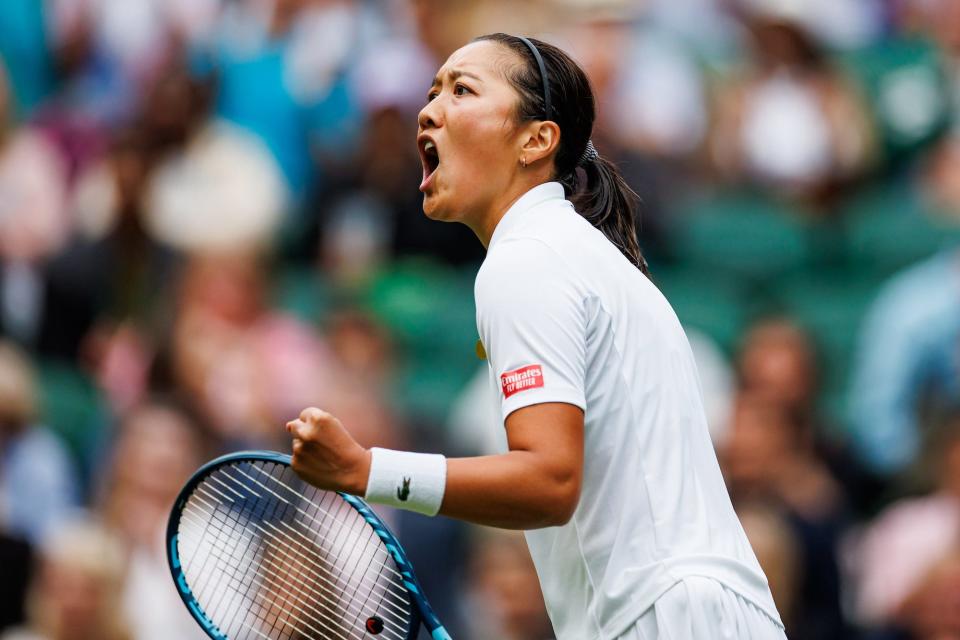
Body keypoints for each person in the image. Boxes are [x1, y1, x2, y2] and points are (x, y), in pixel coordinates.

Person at [286, 33, 785, 639]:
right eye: (432, 91)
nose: (428, 109)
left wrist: (367, 470)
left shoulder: (527, 257)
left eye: (463, 90)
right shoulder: (575, 252)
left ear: (536, 139)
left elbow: (550, 481)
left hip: (664, 616)